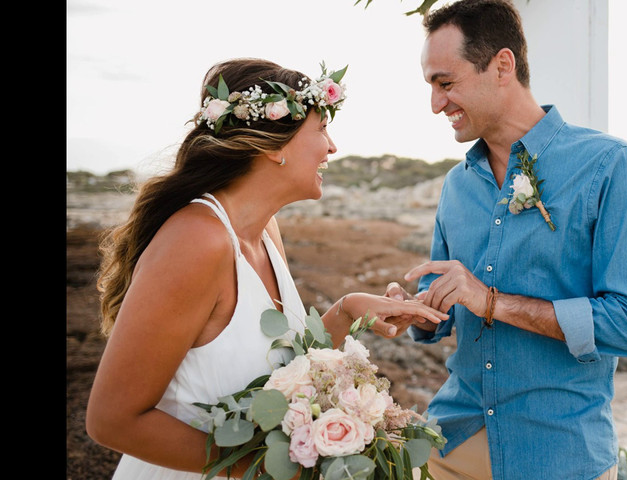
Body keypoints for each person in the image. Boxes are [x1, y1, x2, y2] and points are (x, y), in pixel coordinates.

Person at [85, 57, 448, 480]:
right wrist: (270, 470)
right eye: (322, 130)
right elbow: (112, 420)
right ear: (274, 146)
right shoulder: (196, 241)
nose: (332, 147)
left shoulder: (264, 230)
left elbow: (281, 369)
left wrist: (348, 312)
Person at [386, 1, 627, 479]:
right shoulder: (457, 185)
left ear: (502, 66)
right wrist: (417, 309)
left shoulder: (610, 166)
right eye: (431, 86)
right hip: (452, 445)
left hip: (559, 456)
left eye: (445, 83)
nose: (435, 103)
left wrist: (493, 302)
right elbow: (452, 305)